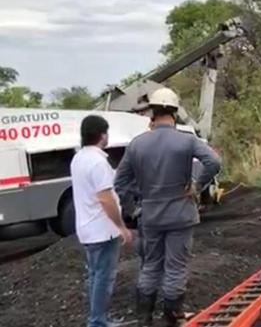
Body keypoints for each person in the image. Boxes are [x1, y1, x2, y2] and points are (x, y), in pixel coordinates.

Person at [114, 87, 221, 327]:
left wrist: (132, 210)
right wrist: (197, 185)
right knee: (175, 267)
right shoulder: (186, 140)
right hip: (181, 214)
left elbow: (120, 183)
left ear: (152, 112)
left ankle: (144, 318)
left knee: (150, 266)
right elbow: (213, 161)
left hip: (150, 216)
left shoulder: (137, 144)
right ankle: (172, 318)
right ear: (175, 112)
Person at [70, 115, 133, 327]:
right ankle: (97, 321)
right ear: (102, 134)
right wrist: (121, 226)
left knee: (95, 275)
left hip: (87, 229)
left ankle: (99, 318)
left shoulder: (79, 158)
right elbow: (106, 198)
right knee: (103, 278)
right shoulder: (98, 162)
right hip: (102, 230)